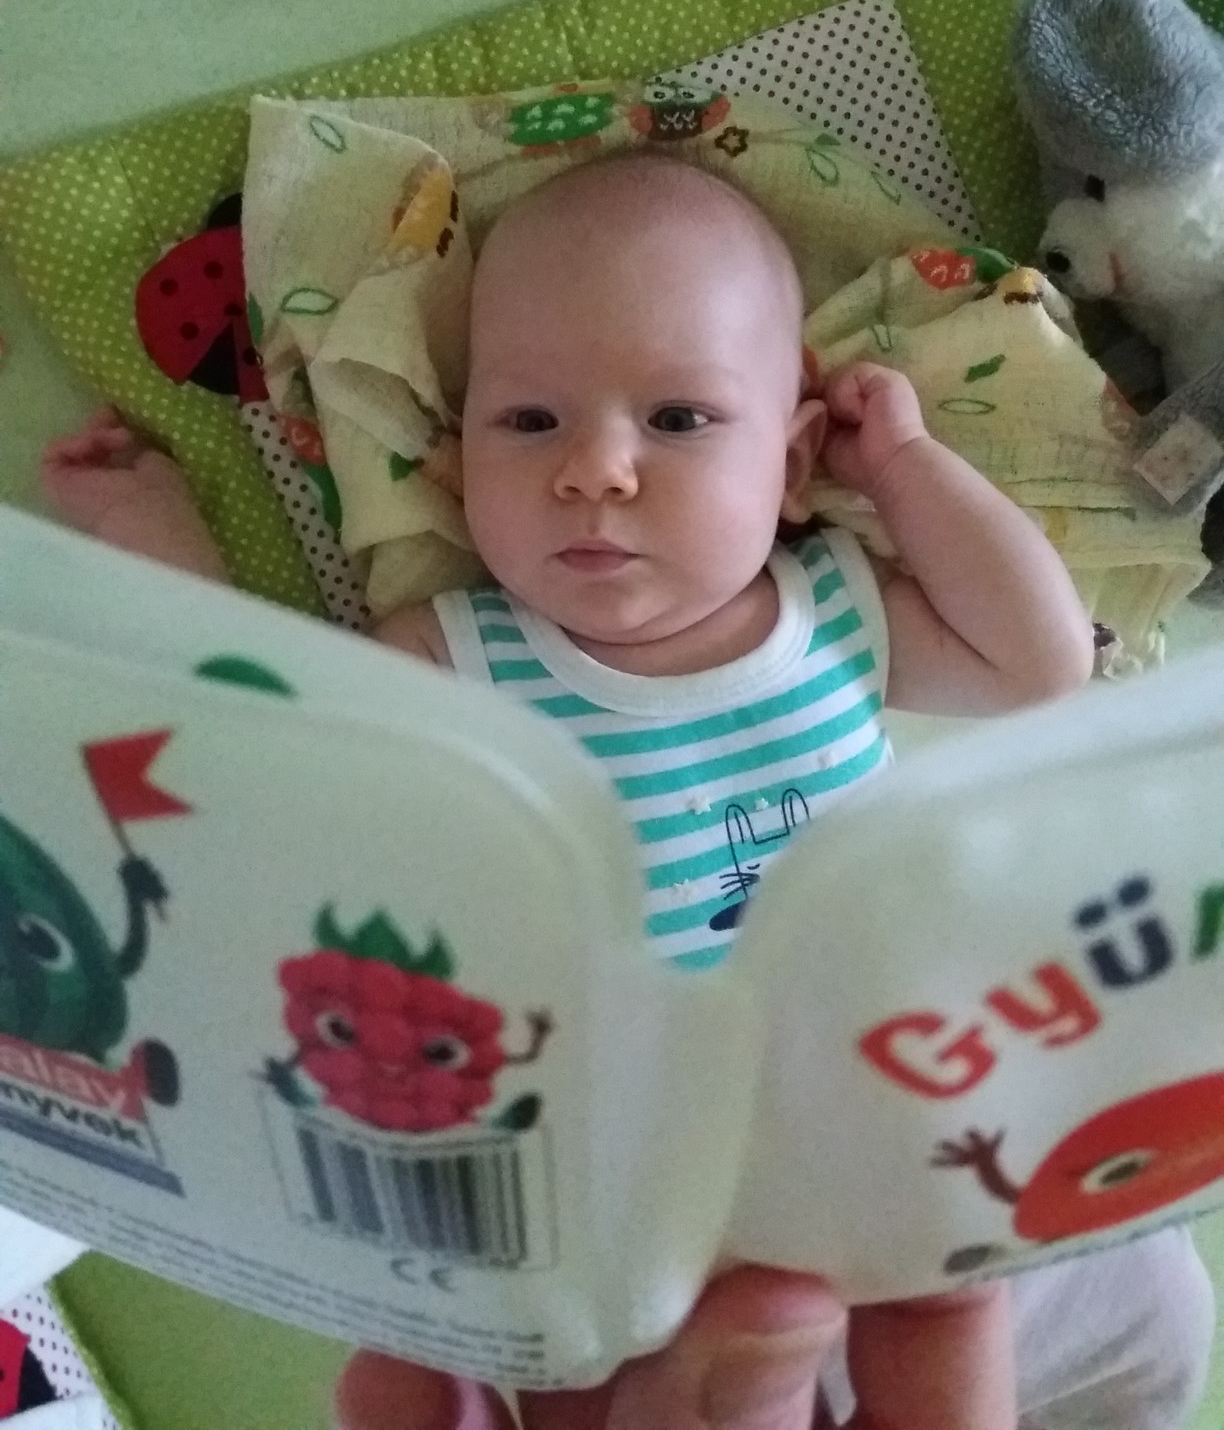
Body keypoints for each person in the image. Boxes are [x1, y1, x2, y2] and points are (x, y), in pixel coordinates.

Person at [43, 155, 1213, 1430]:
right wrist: (161, 545)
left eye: (679, 419)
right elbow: (274, 758)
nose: (597, 468)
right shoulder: (463, 659)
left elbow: (1040, 662)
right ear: (455, 460)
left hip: (920, 1126)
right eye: (529, 422)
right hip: (666, 1208)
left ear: (792, 459)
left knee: (1153, 1320)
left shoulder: (836, 613)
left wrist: (907, 466)